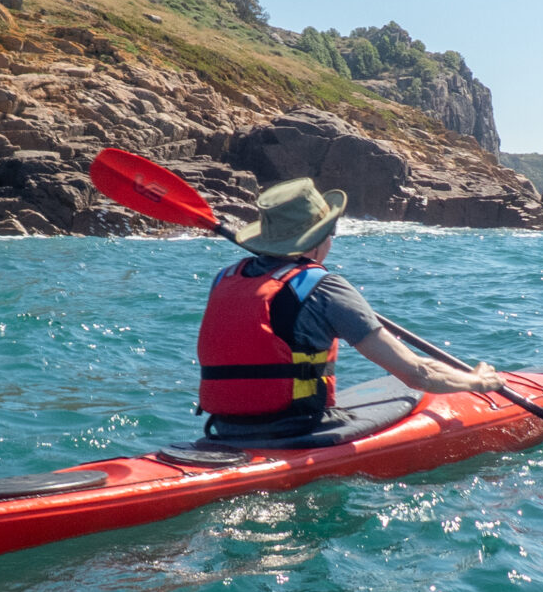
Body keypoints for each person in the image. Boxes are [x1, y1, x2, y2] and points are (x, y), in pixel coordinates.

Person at [196, 177, 503, 437]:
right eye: (330, 231)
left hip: (226, 428)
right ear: (316, 240)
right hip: (297, 429)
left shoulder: (225, 278)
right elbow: (418, 375)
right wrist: (477, 381)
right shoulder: (324, 287)